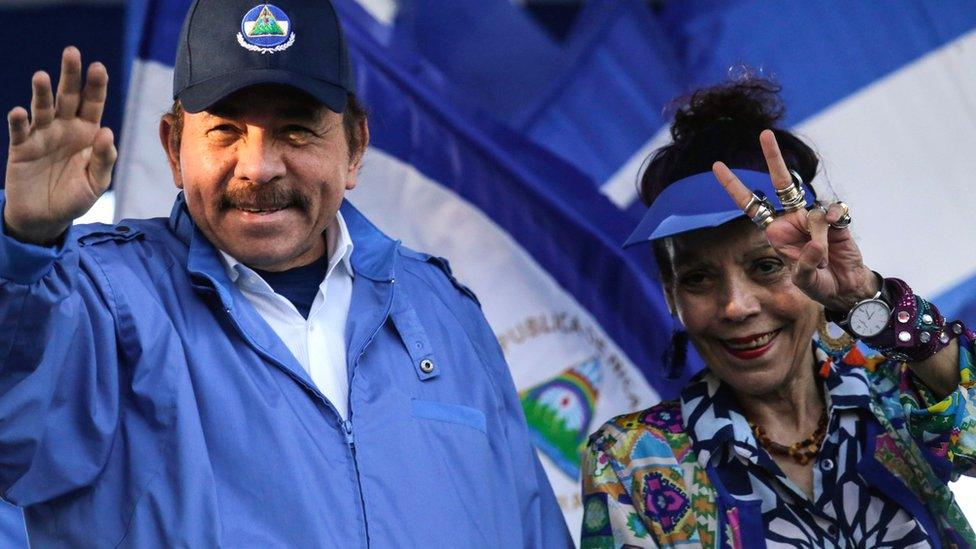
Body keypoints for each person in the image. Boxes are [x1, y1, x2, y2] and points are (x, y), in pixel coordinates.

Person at [0, 1, 571, 547]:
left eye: (296, 131)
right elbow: (12, 435)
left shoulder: (445, 311)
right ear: (174, 150)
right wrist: (24, 247)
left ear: (354, 148)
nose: (258, 166)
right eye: (225, 132)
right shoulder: (96, 296)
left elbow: (531, 525)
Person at [579, 77, 976, 548]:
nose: (735, 306)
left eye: (766, 266)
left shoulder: (892, 391)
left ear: (819, 260)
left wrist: (868, 300)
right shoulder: (633, 460)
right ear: (670, 293)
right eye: (697, 279)